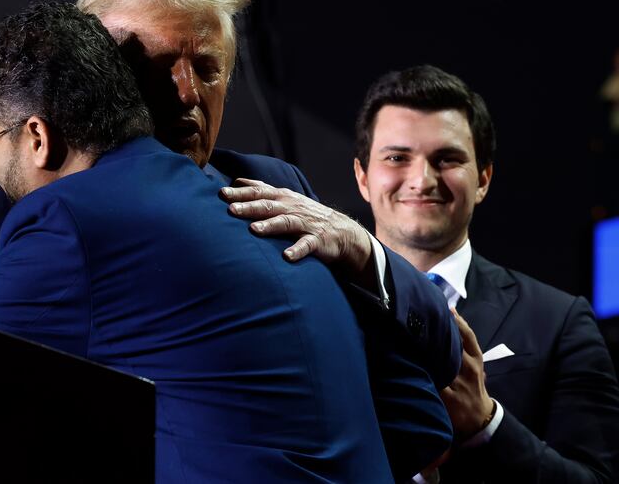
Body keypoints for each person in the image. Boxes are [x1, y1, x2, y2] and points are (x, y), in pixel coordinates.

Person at [0, 0, 459, 479]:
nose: (188, 93)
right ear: (92, 68)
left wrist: (366, 252)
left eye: (207, 68)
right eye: (153, 65)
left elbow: (419, 401)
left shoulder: (274, 189)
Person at [226, 64, 619, 482]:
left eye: (446, 159)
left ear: (483, 178)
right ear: (362, 177)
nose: (422, 179)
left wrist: (487, 426)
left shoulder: (559, 321)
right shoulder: (300, 304)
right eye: (397, 157)